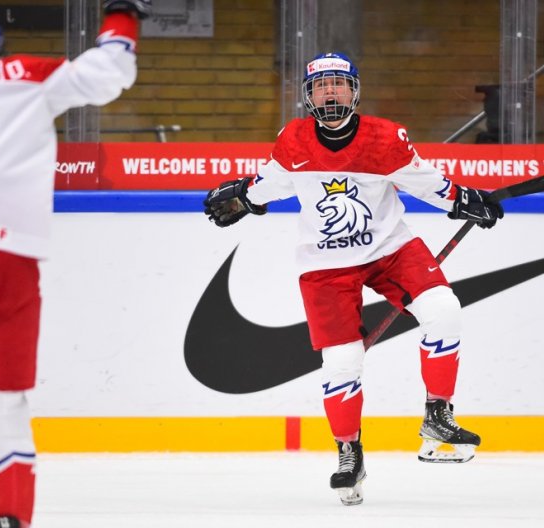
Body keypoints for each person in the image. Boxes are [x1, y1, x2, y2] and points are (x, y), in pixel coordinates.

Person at [203, 52, 503, 506]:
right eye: (320, 85)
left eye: (338, 83)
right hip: (325, 266)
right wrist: (246, 198)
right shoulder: (294, 140)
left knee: (444, 311)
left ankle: (437, 414)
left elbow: (426, 182)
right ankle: (349, 452)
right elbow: (272, 182)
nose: (330, 91)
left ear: (354, 90)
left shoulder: (386, 138)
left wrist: (465, 200)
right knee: (342, 363)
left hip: (390, 250)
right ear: (309, 95)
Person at [0, 1, 151, 527]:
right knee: (2, 408)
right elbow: (111, 71)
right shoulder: (31, 77)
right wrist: (122, 13)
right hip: (5, 261)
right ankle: (10, 519)